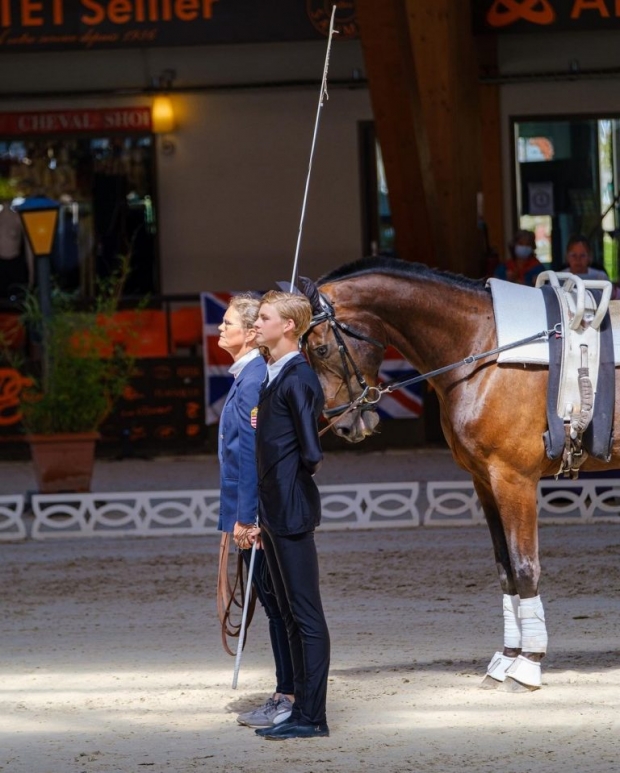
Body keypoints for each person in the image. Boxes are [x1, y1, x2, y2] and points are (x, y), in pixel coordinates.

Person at [251, 290, 330, 740]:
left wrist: (286, 474)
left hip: (292, 508)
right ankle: (300, 708)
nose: (256, 324)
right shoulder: (273, 374)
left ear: (288, 326)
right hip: (273, 510)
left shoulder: (298, 377)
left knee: (306, 613)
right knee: (289, 610)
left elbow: (312, 451)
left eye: (264, 318)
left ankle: (313, 717)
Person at [216, 294, 295, 729]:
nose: (220, 330)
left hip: (254, 514)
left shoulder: (251, 381)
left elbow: (249, 456)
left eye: (228, 324)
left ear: (250, 333)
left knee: (276, 604)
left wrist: (245, 518)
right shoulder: (244, 376)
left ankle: (288, 692)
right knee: (269, 603)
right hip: (244, 511)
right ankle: (285, 689)